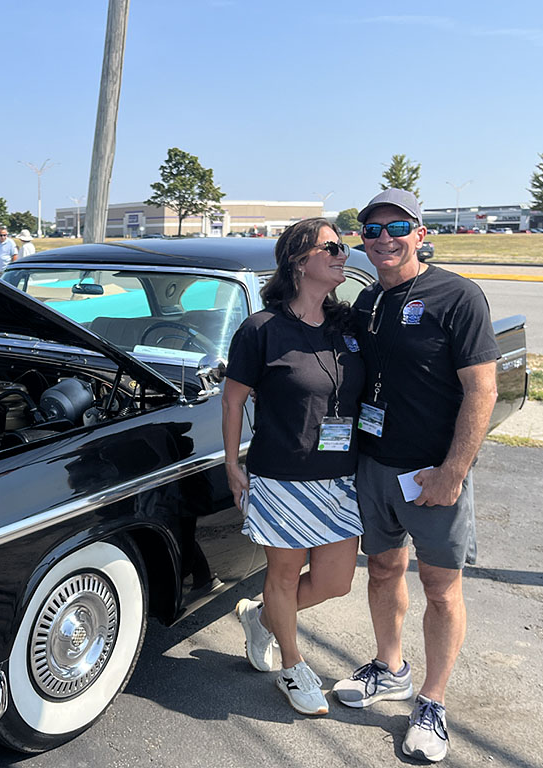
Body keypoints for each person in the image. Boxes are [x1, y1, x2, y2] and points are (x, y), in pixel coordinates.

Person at [331, 189, 498, 763]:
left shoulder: (458, 296)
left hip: (433, 472)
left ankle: (432, 700)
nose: (384, 239)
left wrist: (454, 471)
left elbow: (482, 389)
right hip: (375, 465)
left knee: (441, 588)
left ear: (421, 234)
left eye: (397, 227)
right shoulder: (367, 301)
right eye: (372, 230)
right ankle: (391, 667)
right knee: (382, 569)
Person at [222, 218, 365, 716]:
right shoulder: (261, 329)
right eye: (332, 247)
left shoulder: (348, 326)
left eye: (343, 247)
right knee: (283, 575)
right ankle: (292, 665)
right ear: (299, 261)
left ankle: (260, 617)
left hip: (341, 478)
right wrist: (232, 464)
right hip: (281, 475)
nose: (344, 254)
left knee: (334, 582)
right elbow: (232, 400)